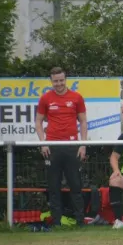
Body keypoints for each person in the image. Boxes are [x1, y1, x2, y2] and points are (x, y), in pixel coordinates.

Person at [35, 67, 87, 226]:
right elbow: (38, 121)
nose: (59, 83)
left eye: (61, 80)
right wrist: (43, 143)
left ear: (66, 80)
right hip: (52, 147)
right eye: (55, 81)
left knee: (75, 186)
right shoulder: (45, 98)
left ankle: (80, 222)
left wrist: (83, 145)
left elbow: (83, 121)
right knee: (53, 187)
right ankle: (56, 222)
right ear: (51, 81)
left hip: (72, 146)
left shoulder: (77, 97)